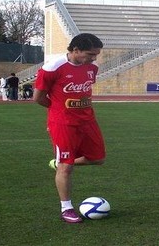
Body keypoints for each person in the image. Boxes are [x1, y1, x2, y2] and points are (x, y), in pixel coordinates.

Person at [33, 33, 107, 224]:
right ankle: (66, 209)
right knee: (67, 167)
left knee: (97, 159)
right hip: (63, 124)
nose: (93, 59)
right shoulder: (52, 68)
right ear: (75, 50)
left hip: (88, 120)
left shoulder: (92, 67)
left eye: (96, 55)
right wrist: (57, 114)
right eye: (90, 54)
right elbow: (38, 97)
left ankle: (59, 163)